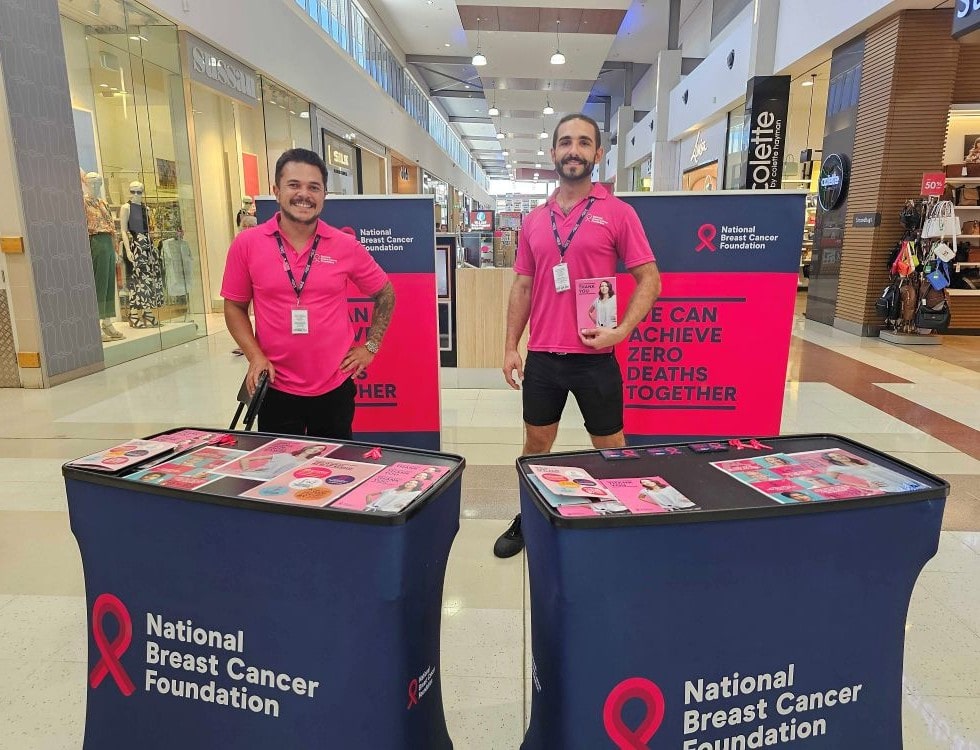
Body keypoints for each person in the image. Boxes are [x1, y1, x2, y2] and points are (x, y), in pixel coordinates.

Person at [493, 113, 662, 558]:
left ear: (598, 153)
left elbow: (650, 279)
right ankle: (530, 517)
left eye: (584, 142)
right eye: (566, 142)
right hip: (543, 357)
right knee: (536, 444)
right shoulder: (535, 220)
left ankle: (620, 518)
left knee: (610, 446)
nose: (574, 150)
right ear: (553, 153)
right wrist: (510, 346)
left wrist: (621, 331)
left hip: (595, 357)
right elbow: (523, 286)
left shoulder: (618, 213)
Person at [222, 148, 395, 439]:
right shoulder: (247, 245)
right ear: (277, 191)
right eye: (294, 185)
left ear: (324, 195)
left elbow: (385, 294)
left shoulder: (345, 245)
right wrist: (255, 356)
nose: (304, 194)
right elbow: (234, 307)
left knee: (335, 465)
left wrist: (371, 346)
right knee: (278, 467)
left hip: (334, 388)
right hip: (274, 386)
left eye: (314, 187)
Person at [236, 443, 334, 480]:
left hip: (276, 482)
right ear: (308, 447)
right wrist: (246, 470)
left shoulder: (307, 463)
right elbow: (245, 459)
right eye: (315, 448)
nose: (315, 450)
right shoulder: (284, 455)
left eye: (319, 450)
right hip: (256, 476)